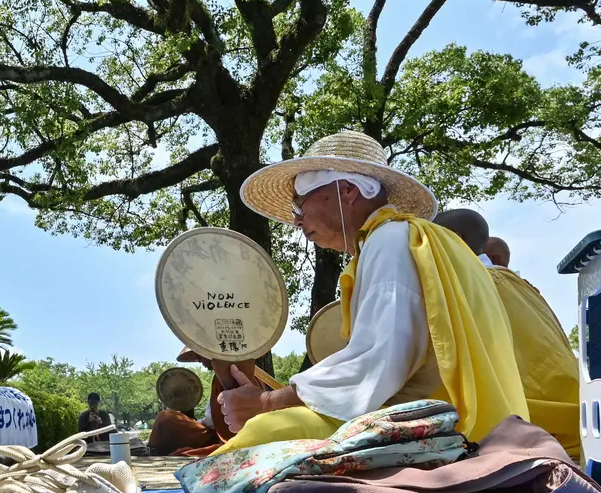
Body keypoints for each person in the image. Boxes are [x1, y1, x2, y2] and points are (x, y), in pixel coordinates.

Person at [212, 130, 528, 455]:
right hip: (439, 420)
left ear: (347, 190)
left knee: (260, 435)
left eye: (300, 201)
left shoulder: (391, 240)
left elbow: (377, 362)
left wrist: (268, 403)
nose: (296, 219)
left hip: (438, 430)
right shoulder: (400, 239)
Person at [434, 210, 581, 458]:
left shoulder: (477, 285)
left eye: (431, 239)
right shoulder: (517, 285)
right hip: (577, 421)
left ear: (455, 238)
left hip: (532, 432)